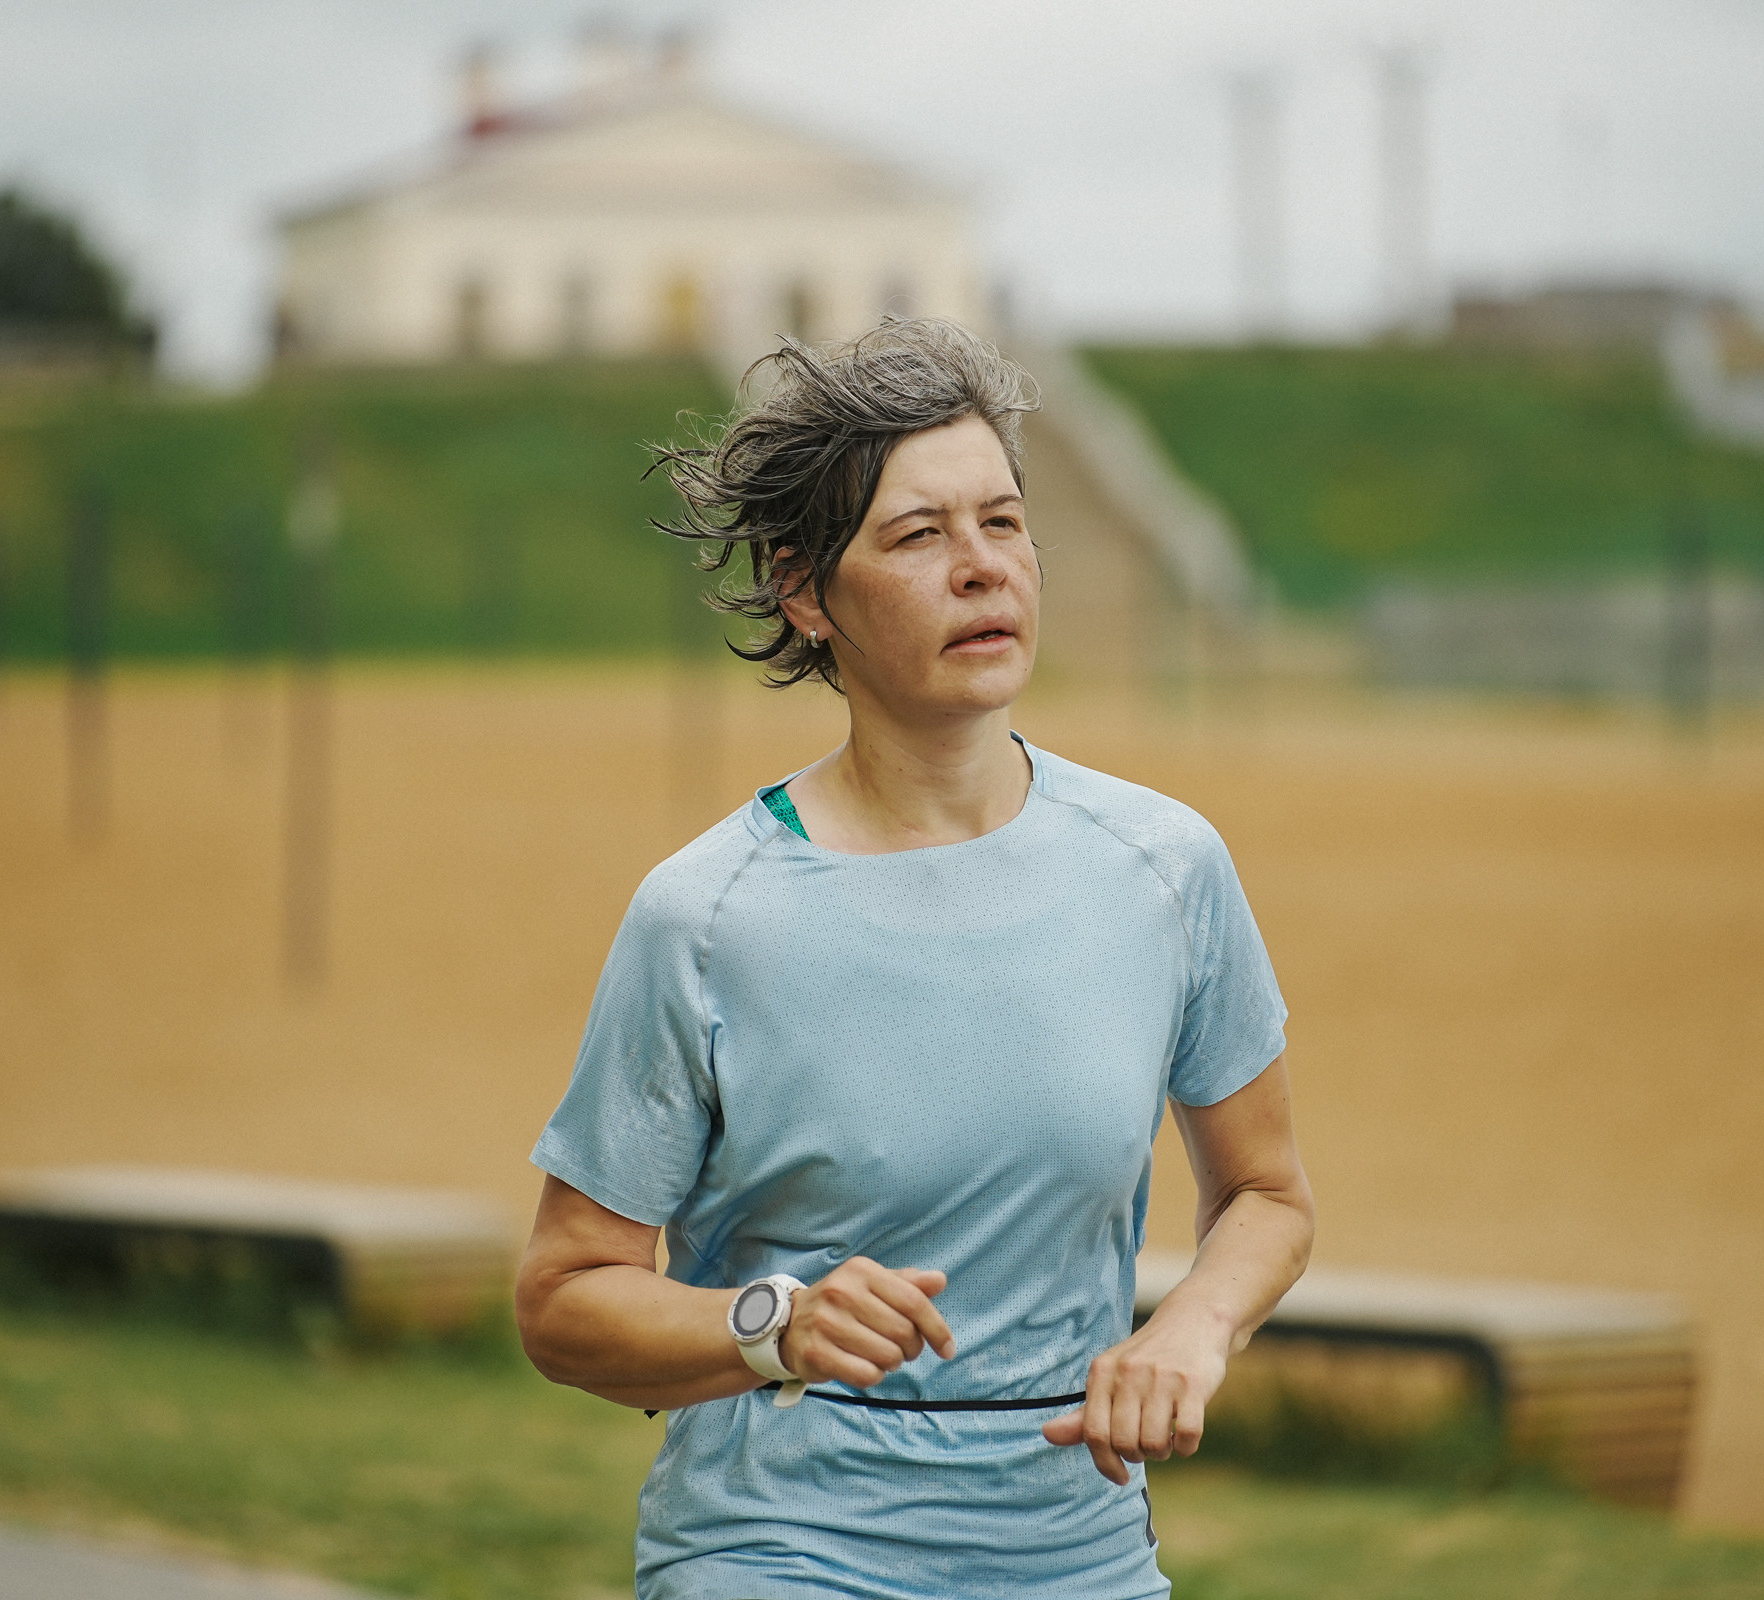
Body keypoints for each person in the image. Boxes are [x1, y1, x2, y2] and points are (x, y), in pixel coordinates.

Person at [514, 317, 1313, 1600]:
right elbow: (563, 1298)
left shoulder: (1166, 865)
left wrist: (1190, 1331)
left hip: (1080, 1554)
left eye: (1003, 523)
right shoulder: (707, 918)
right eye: (919, 536)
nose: (983, 568)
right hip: (780, 1551)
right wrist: (771, 1325)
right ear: (803, 592)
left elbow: (1268, 1197)